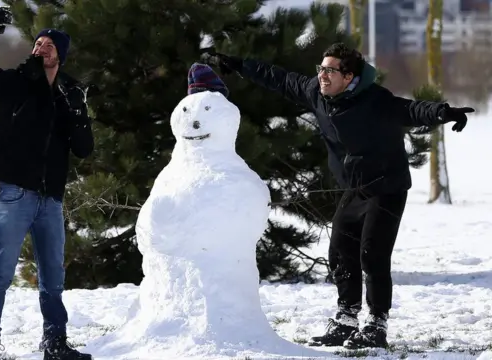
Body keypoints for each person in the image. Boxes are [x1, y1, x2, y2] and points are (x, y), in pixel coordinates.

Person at [201, 43, 474, 349]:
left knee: (372, 254)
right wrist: (239, 63)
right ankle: (346, 319)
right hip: (354, 188)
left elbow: (409, 110)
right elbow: (278, 77)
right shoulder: (315, 92)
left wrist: (444, 112)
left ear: (349, 76)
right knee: (340, 252)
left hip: (387, 186)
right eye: (321, 69)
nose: (323, 75)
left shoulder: (374, 100)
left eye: (330, 70)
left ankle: (376, 324)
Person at [0, 6, 94, 360]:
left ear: (61, 54)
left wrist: (77, 113)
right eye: (38, 43)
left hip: (51, 200)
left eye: (49, 45)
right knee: (0, 273)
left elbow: (84, 150)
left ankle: (55, 344)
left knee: (53, 280)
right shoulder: (15, 82)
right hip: (14, 194)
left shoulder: (70, 93)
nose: (41, 47)